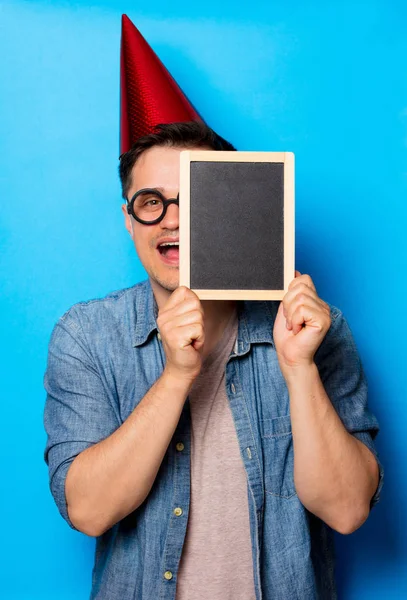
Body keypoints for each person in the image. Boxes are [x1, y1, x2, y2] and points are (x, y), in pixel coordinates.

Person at [44, 121, 383, 600]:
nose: (174, 220)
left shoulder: (316, 330)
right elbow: (89, 510)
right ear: (128, 218)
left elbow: (348, 510)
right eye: (151, 202)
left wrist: (300, 368)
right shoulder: (88, 337)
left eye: (194, 199)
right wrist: (177, 376)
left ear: (231, 206)